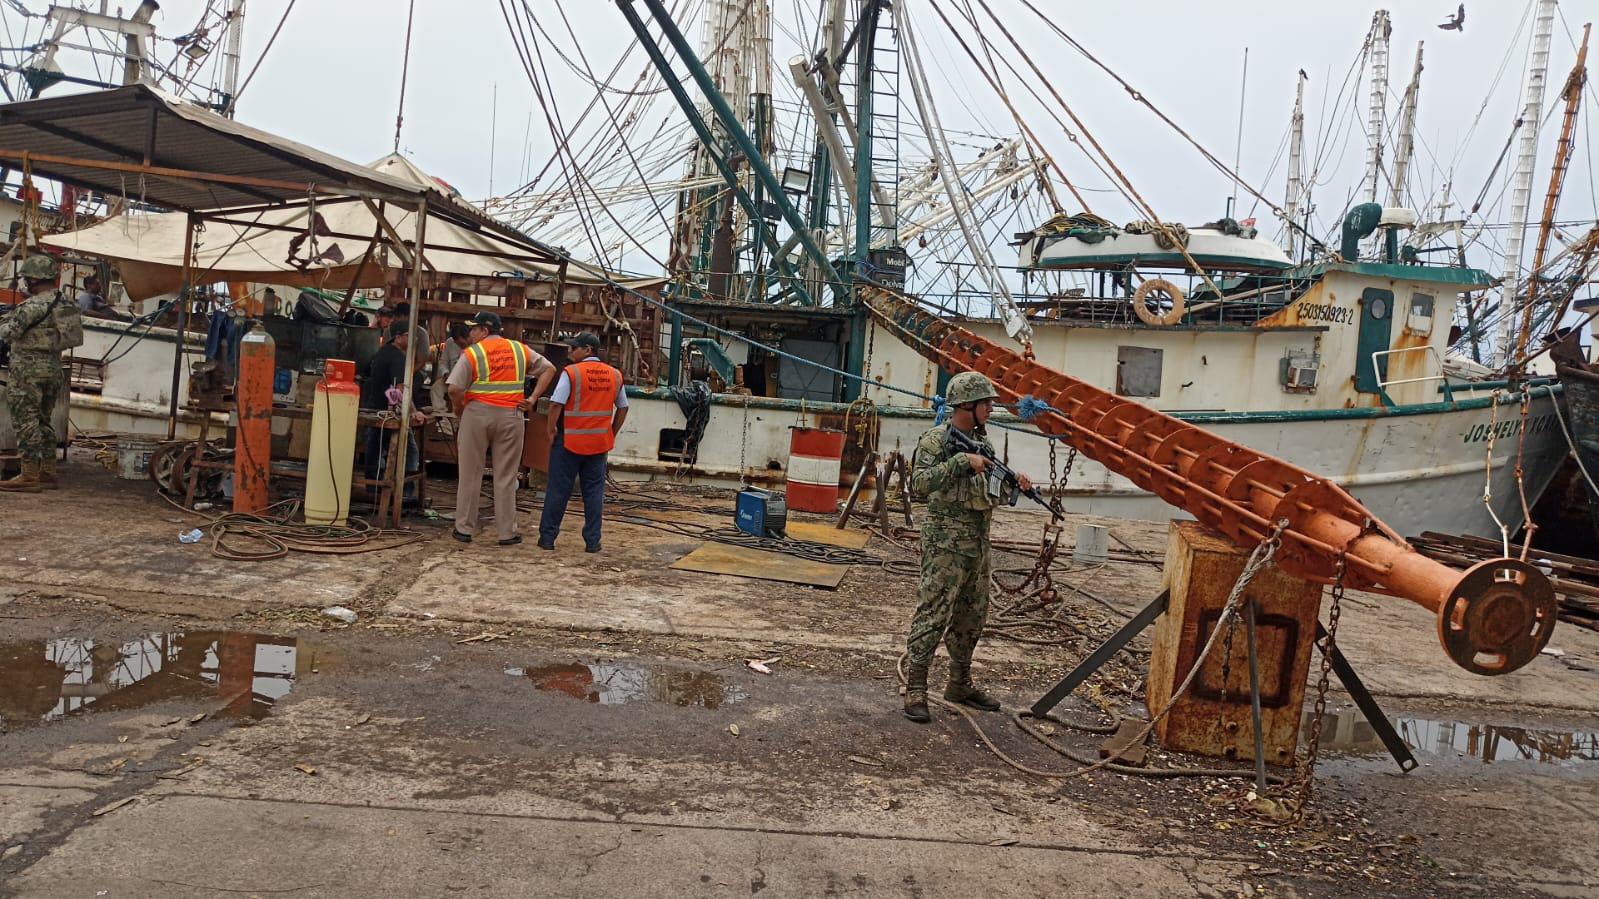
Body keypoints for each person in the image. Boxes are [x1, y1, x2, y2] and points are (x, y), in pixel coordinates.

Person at [900, 371, 1033, 723]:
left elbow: (991, 494)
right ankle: (915, 687)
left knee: (973, 614)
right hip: (945, 544)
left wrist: (1013, 484)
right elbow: (919, 483)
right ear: (967, 405)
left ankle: (960, 682)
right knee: (933, 611)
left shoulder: (984, 446)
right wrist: (962, 462)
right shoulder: (935, 441)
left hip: (977, 542)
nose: (991, 408)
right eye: (986, 402)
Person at [446, 311, 555, 545]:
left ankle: (464, 529)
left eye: (474, 329)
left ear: (484, 331)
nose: (471, 333)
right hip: (511, 416)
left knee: (470, 474)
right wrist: (533, 398)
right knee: (505, 476)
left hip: (477, 415)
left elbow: (454, 388)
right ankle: (507, 533)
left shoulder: (473, 353)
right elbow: (549, 369)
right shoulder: (519, 350)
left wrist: (458, 408)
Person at [538, 331, 627, 553]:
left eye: (574, 348)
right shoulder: (614, 375)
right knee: (594, 493)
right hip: (599, 444)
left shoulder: (572, 373)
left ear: (588, 349)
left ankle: (547, 539)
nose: (571, 352)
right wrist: (612, 432)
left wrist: (550, 430)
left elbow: (556, 403)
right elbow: (623, 407)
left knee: (558, 490)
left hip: (570, 442)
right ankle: (592, 542)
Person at [0, 254, 78, 492]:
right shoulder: (66, 302)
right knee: (44, 420)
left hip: (28, 370)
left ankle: (29, 475)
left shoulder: (31, 306)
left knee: (26, 421)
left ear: (34, 280)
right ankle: (48, 472)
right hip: (54, 368)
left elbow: (7, 333)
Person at [361, 320, 429, 492]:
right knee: (410, 451)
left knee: (375, 448)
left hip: (377, 408)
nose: (414, 340)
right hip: (385, 411)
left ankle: (373, 488)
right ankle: (404, 493)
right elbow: (400, 390)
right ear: (398, 337)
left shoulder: (383, 352)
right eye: (409, 336)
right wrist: (414, 412)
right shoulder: (397, 357)